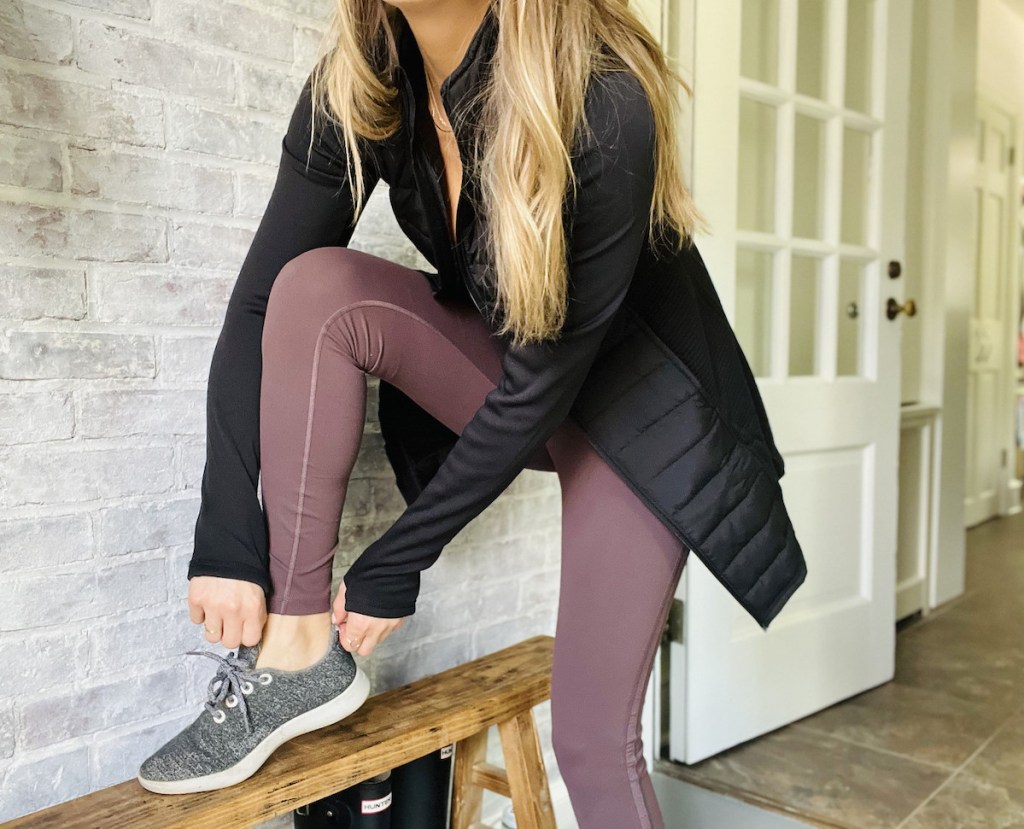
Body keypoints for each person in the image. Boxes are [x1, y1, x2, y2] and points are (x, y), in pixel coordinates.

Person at [137, 0, 808, 825]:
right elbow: (257, 310)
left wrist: (396, 561)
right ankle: (298, 647)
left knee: (594, 742)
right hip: (519, 371)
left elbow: (542, 387)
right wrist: (228, 534)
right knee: (314, 288)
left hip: (643, 412)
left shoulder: (603, 95)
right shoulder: (362, 81)